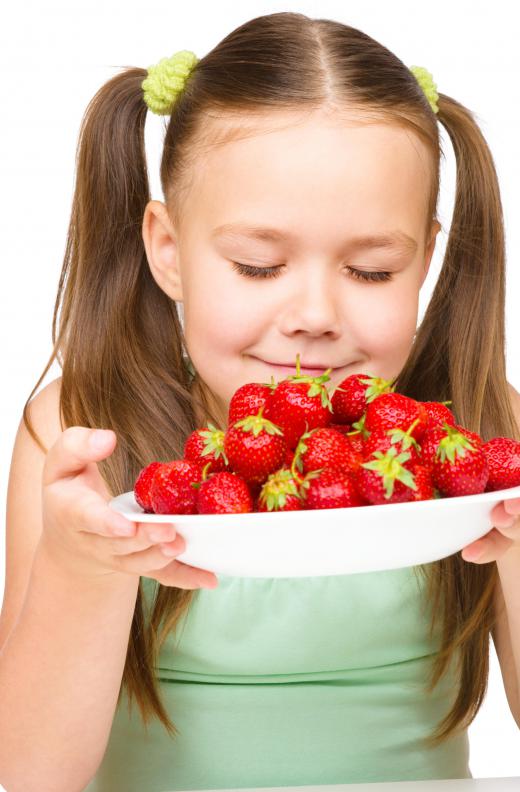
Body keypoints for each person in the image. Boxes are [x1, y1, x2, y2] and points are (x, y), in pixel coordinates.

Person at [1, 10, 520, 791]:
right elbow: (26, 773)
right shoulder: (82, 431)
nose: (314, 314)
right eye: (256, 265)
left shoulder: (482, 433)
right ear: (168, 252)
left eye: (373, 271)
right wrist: (81, 570)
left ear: (425, 261)